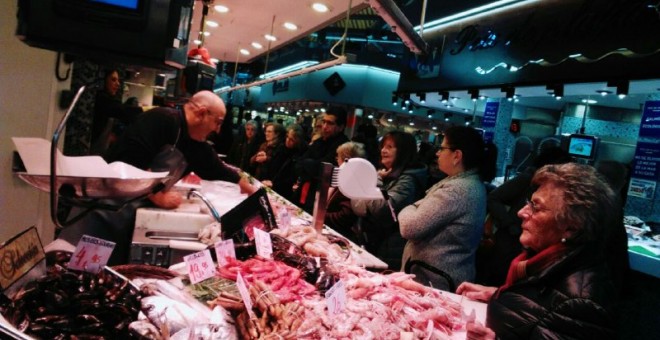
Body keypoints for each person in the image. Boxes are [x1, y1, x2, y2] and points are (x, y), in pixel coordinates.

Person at [58, 91, 256, 265]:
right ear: (202, 113)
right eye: (218, 122)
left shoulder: (194, 142)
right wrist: (158, 196)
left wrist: (251, 190)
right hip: (102, 211)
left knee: (106, 278)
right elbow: (130, 160)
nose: (217, 129)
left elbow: (215, 168)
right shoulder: (161, 119)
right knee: (77, 270)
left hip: (126, 213)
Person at [456, 163, 618, 339]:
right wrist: (499, 295)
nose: (521, 213)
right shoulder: (544, 262)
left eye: (536, 207)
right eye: (529, 202)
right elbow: (540, 309)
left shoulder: (581, 305)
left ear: (571, 228)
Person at [398, 126, 495, 291]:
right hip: (437, 278)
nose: (437, 153)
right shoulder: (465, 183)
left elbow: (410, 227)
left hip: (434, 283)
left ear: (457, 155)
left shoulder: (457, 190)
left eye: (442, 148)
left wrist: (410, 207)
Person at [478, 146, 572, 286]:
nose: (522, 212)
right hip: (509, 240)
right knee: (499, 275)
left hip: (520, 241)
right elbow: (494, 198)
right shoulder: (528, 179)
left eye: (535, 206)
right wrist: (509, 224)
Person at [351, 131, 428, 270]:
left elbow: (383, 210)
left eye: (390, 147)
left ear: (403, 152)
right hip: (376, 243)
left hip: (390, 249)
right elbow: (356, 205)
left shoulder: (408, 180)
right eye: (383, 146)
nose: (383, 151)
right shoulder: (388, 174)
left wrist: (374, 182)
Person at [294, 107, 349, 213]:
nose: (324, 127)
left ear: (341, 127)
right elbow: (298, 164)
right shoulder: (318, 141)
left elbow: (323, 170)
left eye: (330, 123)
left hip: (324, 203)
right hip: (305, 195)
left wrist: (309, 165)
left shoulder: (344, 147)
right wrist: (310, 166)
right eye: (323, 122)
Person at [90, 69, 144, 155]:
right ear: (103, 81)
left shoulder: (108, 100)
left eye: (118, 80)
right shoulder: (101, 99)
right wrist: (146, 110)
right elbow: (121, 110)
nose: (118, 84)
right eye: (113, 80)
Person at [323, 141, 367, 243]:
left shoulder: (353, 183)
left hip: (340, 236)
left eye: (338, 157)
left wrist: (322, 215)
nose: (337, 160)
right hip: (333, 231)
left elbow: (345, 216)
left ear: (345, 160)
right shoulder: (345, 177)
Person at [261, 124, 308, 201]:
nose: (287, 141)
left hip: (284, 193)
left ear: (298, 141)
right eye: (287, 137)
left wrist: (274, 184)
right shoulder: (281, 148)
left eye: (291, 139)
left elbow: (291, 178)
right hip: (270, 186)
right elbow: (272, 165)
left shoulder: (300, 155)